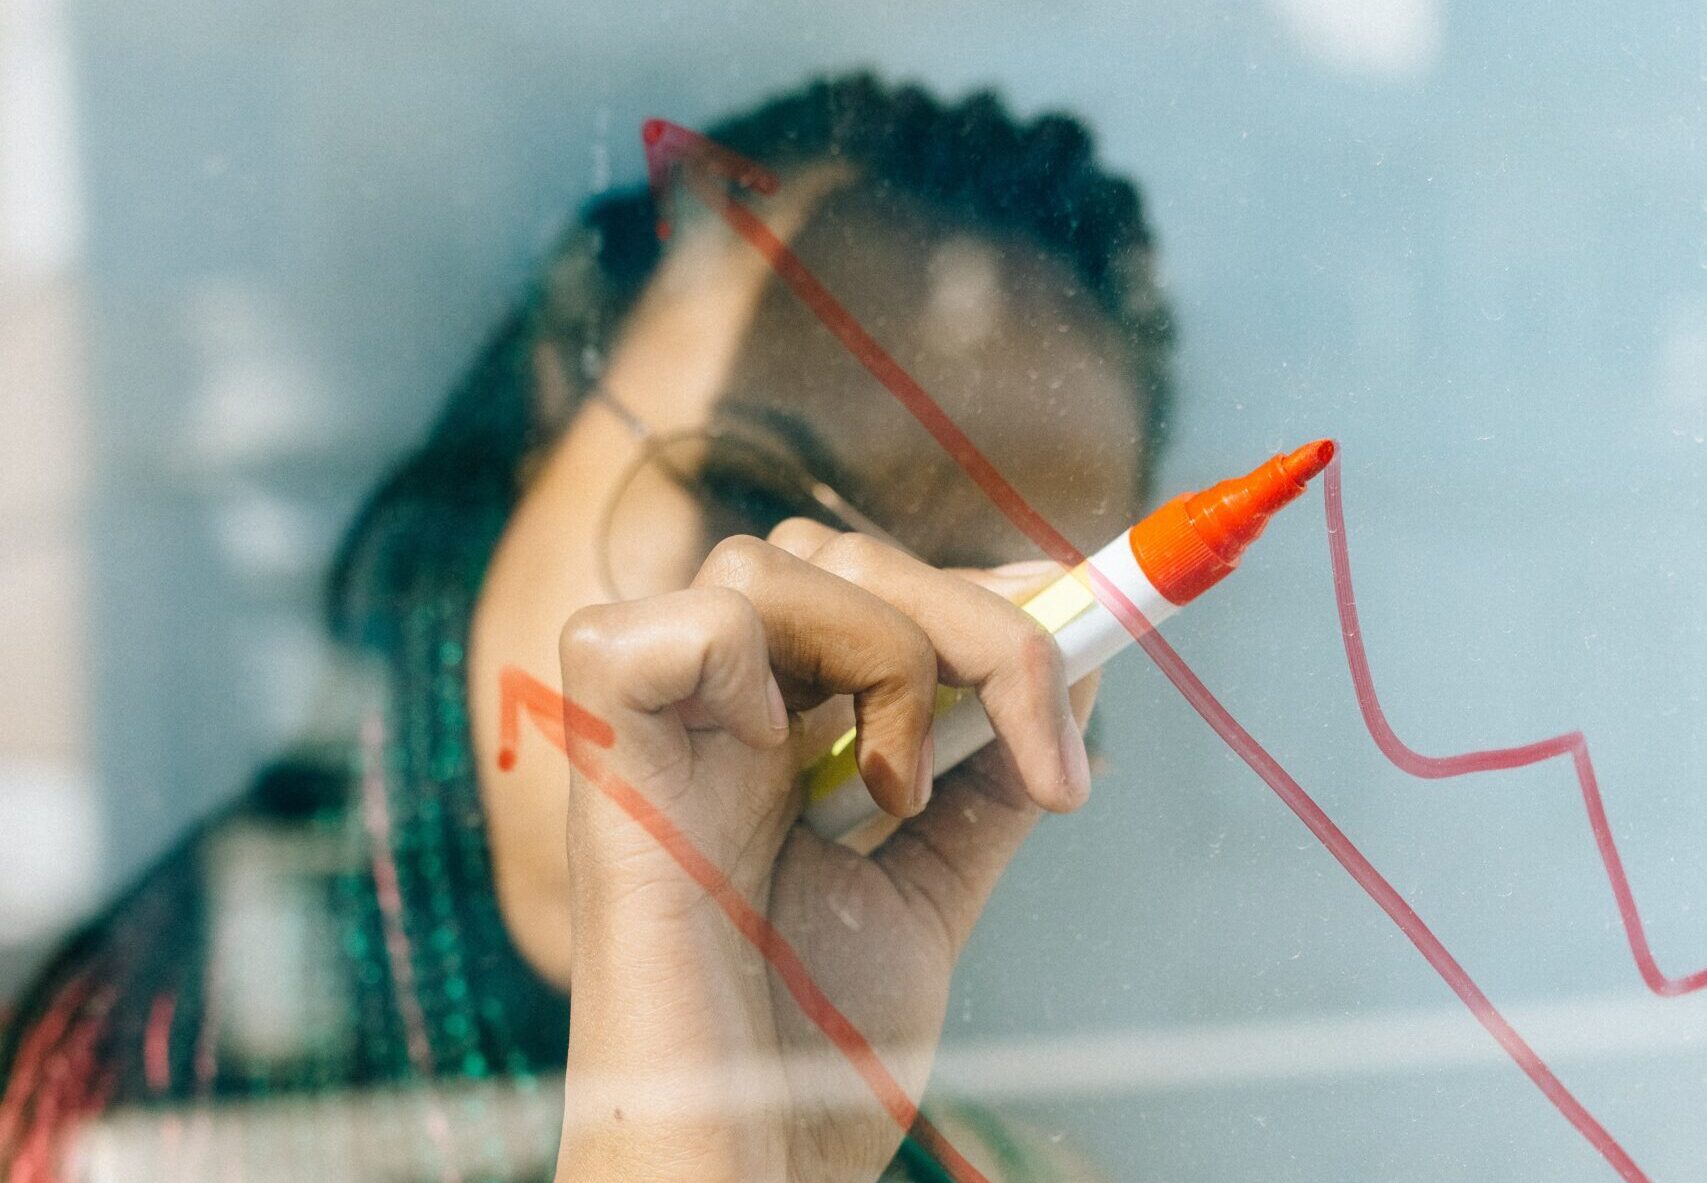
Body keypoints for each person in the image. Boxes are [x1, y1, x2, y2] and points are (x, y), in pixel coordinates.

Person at [0, 72, 1172, 1182]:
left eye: (972, 635)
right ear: (544, 415)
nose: (847, 656)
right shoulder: (88, 1087)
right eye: (749, 496)